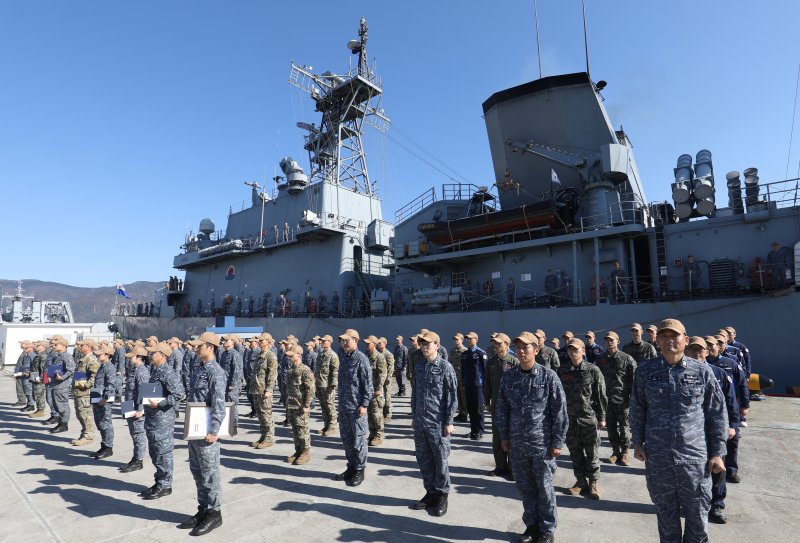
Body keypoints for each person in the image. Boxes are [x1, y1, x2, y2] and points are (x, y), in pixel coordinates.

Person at [630, 318, 728, 543]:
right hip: (658, 458)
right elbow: (637, 407)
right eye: (664, 336)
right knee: (666, 517)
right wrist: (637, 442)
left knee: (698, 518)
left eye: (674, 336)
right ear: (657, 341)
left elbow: (716, 413)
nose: (669, 340)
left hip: (694, 459)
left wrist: (717, 452)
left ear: (685, 339)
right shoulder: (645, 371)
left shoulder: (702, 372)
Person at [496, 332, 568, 543]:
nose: (521, 351)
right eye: (518, 347)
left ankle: (547, 530)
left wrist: (557, 442)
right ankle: (531, 526)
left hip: (542, 445)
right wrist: (504, 436)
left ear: (536, 350)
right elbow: (502, 409)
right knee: (525, 488)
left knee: (545, 489)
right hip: (517, 445)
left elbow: (560, 412)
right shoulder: (509, 376)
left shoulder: (548, 377)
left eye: (526, 347)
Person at [178, 332, 226, 536]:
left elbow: (219, 405)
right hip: (194, 428)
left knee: (209, 473)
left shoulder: (216, 372)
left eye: (200, 346)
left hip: (207, 430)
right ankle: (203, 509)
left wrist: (214, 431)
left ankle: (214, 513)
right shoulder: (198, 370)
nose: (196, 348)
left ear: (211, 347)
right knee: (197, 472)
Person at [687, 337, 739, 525]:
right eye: (692, 349)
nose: (696, 353)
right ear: (686, 351)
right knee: (692, 470)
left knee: (717, 468)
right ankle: (693, 504)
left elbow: (731, 401)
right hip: (691, 433)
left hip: (716, 429)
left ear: (707, 352)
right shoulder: (679, 374)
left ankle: (716, 505)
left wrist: (733, 424)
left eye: (700, 350)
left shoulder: (719, 373)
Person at [410, 330, 457, 517]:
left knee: (441, 461)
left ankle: (442, 495)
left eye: (428, 344)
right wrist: (414, 416)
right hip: (421, 422)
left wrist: (449, 421)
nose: (424, 347)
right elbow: (415, 394)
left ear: (437, 345)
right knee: (424, 460)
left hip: (438, 424)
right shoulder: (419, 366)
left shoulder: (446, 367)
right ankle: (431, 493)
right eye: (422, 343)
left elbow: (452, 396)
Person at [559, 338, 607, 499]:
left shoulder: (593, 370)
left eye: (576, 349)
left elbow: (600, 395)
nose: (573, 352)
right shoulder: (562, 371)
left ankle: (594, 483)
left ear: (583, 351)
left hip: (588, 419)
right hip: (570, 419)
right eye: (570, 350)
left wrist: (602, 417)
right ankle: (580, 481)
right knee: (575, 452)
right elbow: (558, 397)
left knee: (592, 452)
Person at [140, 342, 185, 500]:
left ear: (162, 356)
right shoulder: (156, 371)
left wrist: (160, 403)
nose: (151, 355)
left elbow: (179, 394)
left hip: (163, 420)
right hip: (153, 419)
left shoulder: (168, 373)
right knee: (155, 452)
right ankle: (159, 481)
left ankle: (165, 485)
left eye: (154, 353)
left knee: (163, 452)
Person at [334, 328, 373, 487]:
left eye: (346, 340)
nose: (343, 343)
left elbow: (368, 386)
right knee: (347, 440)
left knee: (359, 441)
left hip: (357, 408)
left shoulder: (361, 359)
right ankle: (351, 466)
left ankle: (360, 469)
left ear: (356, 341)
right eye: (342, 341)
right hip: (344, 406)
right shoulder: (344, 357)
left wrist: (364, 404)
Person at [708, 335, 749, 484]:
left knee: (732, 442)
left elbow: (742, 384)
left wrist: (745, 405)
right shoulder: (700, 367)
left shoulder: (730, 363)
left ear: (719, 346)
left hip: (729, 409)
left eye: (714, 344)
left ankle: (731, 470)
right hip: (711, 414)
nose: (711, 347)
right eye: (708, 345)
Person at [594, 331, 637, 466]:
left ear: (618, 341)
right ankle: (615, 452)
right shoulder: (600, 359)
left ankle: (625, 453)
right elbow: (596, 380)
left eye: (612, 340)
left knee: (624, 428)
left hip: (623, 400)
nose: (609, 342)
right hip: (606, 401)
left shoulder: (626, 358)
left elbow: (635, 379)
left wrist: (633, 398)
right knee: (611, 428)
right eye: (607, 340)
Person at [484, 333, 519, 478]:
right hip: (497, 406)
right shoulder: (491, 362)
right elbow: (487, 383)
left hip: (512, 406)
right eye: (495, 343)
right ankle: (500, 466)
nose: (496, 346)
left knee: (512, 436)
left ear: (507, 344)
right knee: (497, 437)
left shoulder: (514, 362)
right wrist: (487, 401)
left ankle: (513, 469)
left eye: (499, 343)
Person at [284, 344, 316, 465]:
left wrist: (307, 405)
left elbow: (310, 389)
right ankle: (298, 451)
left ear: (299, 355)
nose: (290, 358)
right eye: (289, 356)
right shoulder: (291, 369)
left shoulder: (305, 370)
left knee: (303, 430)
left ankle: (306, 453)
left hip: (301, 405)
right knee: (295, 430)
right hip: (291, 404)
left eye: (292, 355)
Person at [120, 346, 150, 473]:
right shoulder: (134, 370)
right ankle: (135, 457)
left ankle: (138, 460)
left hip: (137, 408)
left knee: (139, 435)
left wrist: (141, 409)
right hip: (130, 405)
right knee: (133, 434)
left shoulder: (142, 371)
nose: (129, 359)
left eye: (132, 356)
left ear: (139, 357)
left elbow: (144, 392)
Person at [90, 344, 118, 460]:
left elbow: (111, 385)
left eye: (100, 354)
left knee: (106, 423)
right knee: (100, 423)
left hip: (104, 399)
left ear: (107, 355)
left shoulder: (109, 367)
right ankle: (104, 445)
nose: (97, 356)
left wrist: (105, 398)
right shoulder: (103, 366)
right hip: (98, 396)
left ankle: (108, 447)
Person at [250, 333, 278, 448]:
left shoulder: (270, 356)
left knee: (266, 415)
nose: (260, 342)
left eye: (262, 340)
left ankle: (269, 438)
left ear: (268, 341)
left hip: (264, 390)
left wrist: (269, 389)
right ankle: (263, 436)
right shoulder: (259, 354)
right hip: (257, 389)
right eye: (259, 340)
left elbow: (272, 374)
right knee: (261, 415)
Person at [71, 338, 100, 446]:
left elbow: (95, 375)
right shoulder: (84, 358)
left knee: (86, 414)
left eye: (82, 345)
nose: (79, 347)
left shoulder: (91, 359)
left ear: (88, 346)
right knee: (80, 414)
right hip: (79, 391)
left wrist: (87, 385)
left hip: (85, 393)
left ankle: (88, 436)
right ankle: (84, 433)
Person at [461, 332, 487, 440]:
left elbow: (485, 371)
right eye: (467, 339)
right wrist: (463, 382)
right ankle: (473, 430)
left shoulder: (481, 353)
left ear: (476, 339)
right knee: (470, 408)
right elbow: (463, 370)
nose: (468, 340)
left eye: (470, 339)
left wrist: (486, 386)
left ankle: (480, 431)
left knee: (479, 409)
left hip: (478, 385)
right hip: (468, 385)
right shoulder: (465, 354)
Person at [49, 337, 75, 434]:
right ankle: (61, 422)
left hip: (62, 385)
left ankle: (64, 424)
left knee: (62, 405)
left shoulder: (67, 356)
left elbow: (71, 370)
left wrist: (62, 377)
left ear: (63, 345)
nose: (54, 346)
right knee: (57, 405)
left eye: (56, 344)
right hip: (56, 384)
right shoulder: (59, 356)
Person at [364, 335, 388, 447]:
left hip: (376, 390)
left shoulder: (379, 357)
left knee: (376, 413)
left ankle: (379, 435)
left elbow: (383, 373)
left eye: (368, 343)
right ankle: (372, 433)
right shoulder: (366, 357)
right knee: (369, 413)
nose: (366, 345)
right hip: (368, 390)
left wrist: (378, 388)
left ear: (374, 344)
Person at [314, 334, 339, 436]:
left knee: (330, 406)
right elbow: (317, 370)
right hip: (320, 384)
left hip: (327, 386)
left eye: (325, 341)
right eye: (322, 341)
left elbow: (335, 372)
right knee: (323, 406)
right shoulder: (320, 354)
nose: (322, 342)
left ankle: (332, 426)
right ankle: (326, 425)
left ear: (330, 342)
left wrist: (332, 386)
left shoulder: (333, 355)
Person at [218, 335, 243, 436]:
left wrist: (233, 384)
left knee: (232, 405)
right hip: (224, 383)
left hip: (231, 385)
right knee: (224, 405)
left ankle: (234, 426)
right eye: (223, 341)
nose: (224, 342)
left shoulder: (235, 355)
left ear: (232, 342)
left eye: (226, 340)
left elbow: (237, 371)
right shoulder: (224, 354)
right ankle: (226, 425)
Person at [450, 333, 468, 422]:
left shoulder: (465, 351)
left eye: (457, 339)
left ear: (462, 339)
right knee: (458, 396)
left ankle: (465, 414)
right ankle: (460, 412)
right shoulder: (453, 351)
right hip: (455, 377)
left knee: (464, 396)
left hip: (463, 377)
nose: (456, 341)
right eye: (455, 340)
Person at [28, 341, 48, 418]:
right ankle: (38, 409)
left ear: (43, 346)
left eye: (38, 345)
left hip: (39, 378)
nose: (36, 346)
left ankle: (41, 411)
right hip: (34, 376)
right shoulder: (38, 355)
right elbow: (35, 367)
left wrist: (41, 378)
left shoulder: (43, 356)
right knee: (35, 394)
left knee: (39, 394)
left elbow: (43, 368)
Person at [378, 337, 395, 422]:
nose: (378, 344)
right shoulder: (378, 353)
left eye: (380, 343)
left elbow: (391, 367)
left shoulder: (388, 354)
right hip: (381, 378)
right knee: (382, 397)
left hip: (387, 379)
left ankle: (388, 414)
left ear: (384, 343)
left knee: (387, 397)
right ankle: (383, 413)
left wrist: (388, 378)